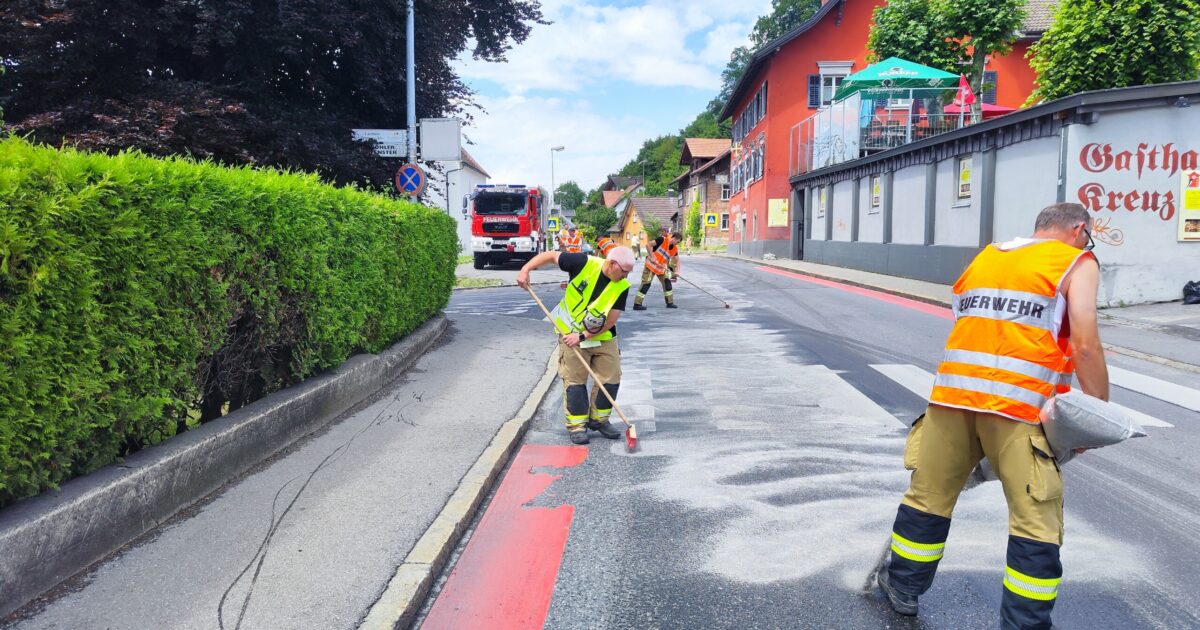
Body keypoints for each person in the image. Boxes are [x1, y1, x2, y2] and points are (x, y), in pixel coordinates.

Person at [877, 203, 1109, 629]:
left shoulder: (987, 258)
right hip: (1018, 410)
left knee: (928, 497)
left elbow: (970, 320)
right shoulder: (1076, 262)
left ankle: (902, 587)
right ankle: (1024, 623)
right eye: (1087, 238)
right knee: (1035, 521)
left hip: (951, 401)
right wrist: (1096, 414)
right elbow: (1085, 344)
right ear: (1079, 229)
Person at [517, 245, 637, 445]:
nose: (626, 276)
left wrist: (583, 336)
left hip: (602, 336)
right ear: (612, 263)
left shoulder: (621, 286)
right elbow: (551, 256)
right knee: (575, 381)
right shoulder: (582, 263)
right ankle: (577, 426)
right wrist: (525, 269)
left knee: (611, 377)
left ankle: (599, 420)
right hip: (569, 334)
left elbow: (611, 320)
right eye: (624, 271)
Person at [633, 229, 681, 310]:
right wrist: (651, 257)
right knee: (646, 284)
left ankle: (670, 303)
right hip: (651, 266)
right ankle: (637, 304)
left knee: (667, 283)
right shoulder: (662, 240)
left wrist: (677, 271)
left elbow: (677, 260)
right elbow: (648, 245)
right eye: (678, 241)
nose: (677, 243)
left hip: (661, 268)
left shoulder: (674, 249)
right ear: (674, 238)